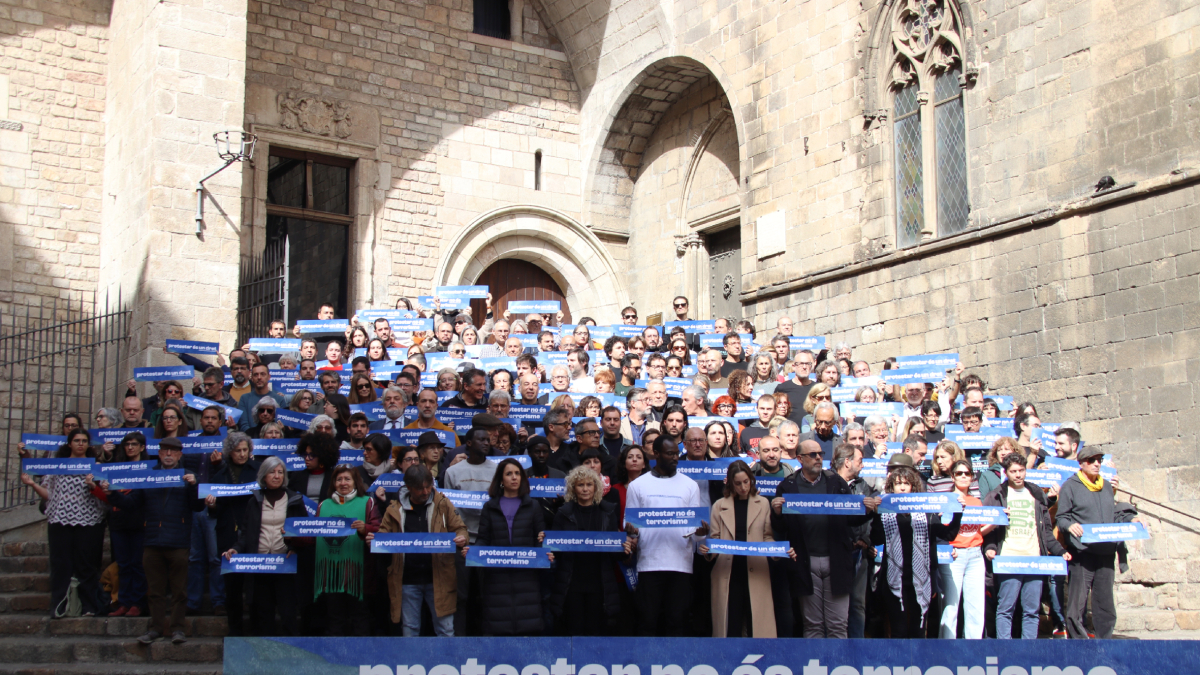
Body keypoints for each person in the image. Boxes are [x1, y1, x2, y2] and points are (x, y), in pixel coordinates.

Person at [102, 436, 203, 643]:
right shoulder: (148, 477)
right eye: (165, 451)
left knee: (179, 591)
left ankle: (177, 629)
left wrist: (195, 487)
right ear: (158, 453)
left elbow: (198, 507)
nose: (168, 455)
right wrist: (112, 494)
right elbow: (131, 503)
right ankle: (155, 628)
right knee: (154, 590)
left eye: (173, 451)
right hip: (152, 541)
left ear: (180, 455)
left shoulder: (188, 476)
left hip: (178, 541)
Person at [770, 439, 870, 638]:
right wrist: (777, 513)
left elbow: (851, 518)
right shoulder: (788, 486)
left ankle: (837, 668)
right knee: (812, 625)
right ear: (799, 459)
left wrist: (867, 510)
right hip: (805, 562)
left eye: (820, 454)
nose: (818, 458)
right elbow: (781, 528)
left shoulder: (836, 482)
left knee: (838, 625)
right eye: (812, 455)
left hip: (837, 561)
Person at [370, 464, 467, 636]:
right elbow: (383, 536)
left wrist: (461, 537)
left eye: (428, 486)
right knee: (410, 629)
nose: (425, 491)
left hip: (439, 576)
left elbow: (460, 527)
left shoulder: (443, 503)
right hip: (407, 578)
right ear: (408, 487)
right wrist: (374, 540)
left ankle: (448, 662)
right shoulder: (394, 509)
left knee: (445, 628)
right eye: (419, 488)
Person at [21, 430, 109, 620]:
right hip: (60, 519)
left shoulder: (96, 466)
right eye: (76, 440)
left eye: (84, 441)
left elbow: (105, 496)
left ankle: (90, 606)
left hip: (89, 520)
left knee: (86, 565)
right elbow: (49, 494)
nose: (80, 444)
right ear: (69, 444)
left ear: (89, 445)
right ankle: (59, 605)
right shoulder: (57, 466)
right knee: (61, 564)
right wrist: (32, 485)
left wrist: (93, 485)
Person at [983, 452, 1072, 639]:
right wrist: (990, 548)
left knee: (1031, 610)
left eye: (1021, 470)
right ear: (1005, 473)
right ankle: (1004, 650)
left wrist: (1060, 551)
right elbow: (989, 530)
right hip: (1008, 559)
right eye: (1013, 471)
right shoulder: (996, 495)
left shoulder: (1037, 493)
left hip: (1034, 560)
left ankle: (1028, 651)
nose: (1018, 475)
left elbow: (1046, 531)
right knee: (1005, 609)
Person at [1056, 444, 1140, 640]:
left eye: (1099, 461)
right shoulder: (1070, 486)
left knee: (1105, 601)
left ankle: (1105, 639)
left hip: (1106, 551)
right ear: (1081, 464)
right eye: (1091, 461)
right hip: (1082, 551)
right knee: (1078, 601)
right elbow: (1062, 518)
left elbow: (1114, 514)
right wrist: (1070, 526)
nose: (1096, 464)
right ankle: (1078, 640)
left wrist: (1132, 519)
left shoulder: (1107, 486)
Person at [868, 465, 964, 638]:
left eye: (906, 483)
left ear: (913, 486)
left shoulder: (926, 512)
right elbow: (876, 540)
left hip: (921, 580)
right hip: (893, 579)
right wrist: (876, 514)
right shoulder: (886, 513)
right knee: (898, 630)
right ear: (892, 487)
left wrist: (958, 513)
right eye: (898, 484)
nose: (902, 487)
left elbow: (948, 533)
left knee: (918, 630)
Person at [624, 435, 705, 636]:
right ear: (656, 454)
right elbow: (630, 525)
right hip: (649, 564)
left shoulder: (690, 485)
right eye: (670, 454)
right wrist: (631, 532)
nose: (675, 458)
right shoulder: (638, 485)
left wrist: (701, 533)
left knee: (677, 621)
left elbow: (695, 533)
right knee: (647, 621)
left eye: (677, 453)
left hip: (681, 565)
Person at [221, 456, 307, 636]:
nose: (276, 476)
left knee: (288, 615)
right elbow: (246, 533)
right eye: (272, 472)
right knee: (263, 615)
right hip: (260, 565)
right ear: (263, 476)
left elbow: (303, 532)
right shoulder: (254, 501)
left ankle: (292, 655)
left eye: (280, 472)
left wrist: (294, 547)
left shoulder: (295, 500)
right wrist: (236, 549)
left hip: (285, 565)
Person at [701, 460, 783, 637]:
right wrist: (708, 551)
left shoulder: (763, 503)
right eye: (738, 483)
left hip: (756, 569)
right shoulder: (718, 505)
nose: (743, 487)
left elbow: (767, 536)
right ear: (730, 483)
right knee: (729, 625)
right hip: (728, 571)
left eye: (746, 482)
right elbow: (714, 539)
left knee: (758, 628)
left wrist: (777, 551)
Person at [470, 458, 547, 636]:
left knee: (529, 626)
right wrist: (472, 552)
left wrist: (545, 552)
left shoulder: (533, 506)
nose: (514, 478)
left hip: (527, 577)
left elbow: (540, 539)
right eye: (509, 474)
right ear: (501, 480)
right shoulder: (490, 507)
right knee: (498, 627)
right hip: (497, 578)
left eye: (517, 473)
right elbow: (483, 539)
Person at [549, 464, 627, 635]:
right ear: (573, 488)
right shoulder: (563, 513)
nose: (585, 489)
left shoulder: (608, 512)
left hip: (600, 583)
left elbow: (616, 554)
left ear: (596, 487)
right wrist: (546, 543)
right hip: (571, 583)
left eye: (589, 484)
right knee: (574, 630)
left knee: (596, 630)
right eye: (580, 485)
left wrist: (624, 547)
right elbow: (555, 548)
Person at [314, 465, 382, 636]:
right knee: (335, 618)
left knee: (360, 617)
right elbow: (312, 533)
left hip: (358, 574)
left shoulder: (367, 502)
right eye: (339, 479)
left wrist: (365, 528)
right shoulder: (323, 505)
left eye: (347, 479)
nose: (343, 483)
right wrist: (291, 536)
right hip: (331, 574)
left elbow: (379, 531)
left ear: (355, 482)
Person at [444, 427, 498, 635]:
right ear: (468, 443)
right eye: (481, 439)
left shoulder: (496, 470)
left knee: (486, 595)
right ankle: (460, 640)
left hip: (488, 541)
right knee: (461, 595)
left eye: (488, 439)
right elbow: (447, 509)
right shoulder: (453, 472)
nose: (486, 443)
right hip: (462, 543)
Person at [204, 432, 259, 635]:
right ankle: (235, 631)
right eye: (238, 451)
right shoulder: (221, 475)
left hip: (252, 532)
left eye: (246, 450)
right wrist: (211, 506)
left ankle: (255, 630)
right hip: (228, 533)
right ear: (230, 452)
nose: (243, 454)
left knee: (253, 587)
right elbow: (216, 510)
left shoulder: (257, 471)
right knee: (232, 588)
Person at [939, 458, 985, 639]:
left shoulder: (976, 501)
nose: (964, 476)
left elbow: (979, 529)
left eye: (968, 473)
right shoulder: (945, 500)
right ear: (952, 476)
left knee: (975, 608)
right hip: (953, 555)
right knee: (951, 607)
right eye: (959, 473)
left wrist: (998, 520)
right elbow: (942, 530)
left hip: (975, 555)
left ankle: (974, 650)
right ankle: (946, 650)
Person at [106, 432, 149, 617]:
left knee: (138, 564)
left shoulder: (148, 469)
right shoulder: (116, 468)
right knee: (123, 564)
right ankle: (123, 602)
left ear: (142, 447)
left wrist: (113, 495)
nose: (130, 447)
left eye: (134, 444)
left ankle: (138, 603)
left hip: (140, 522)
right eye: (127, 444)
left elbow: (138, 499)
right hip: (118, 522)